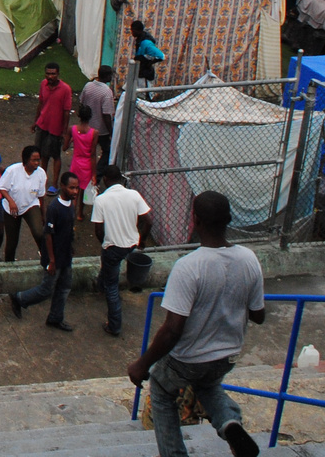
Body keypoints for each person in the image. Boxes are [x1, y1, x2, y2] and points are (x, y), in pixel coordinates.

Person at [128, 192, 264, 457]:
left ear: (195, 220)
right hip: (227, 355)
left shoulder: (188, 267)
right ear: (229, 220)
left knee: (161, 386)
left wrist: (142, 364)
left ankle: (173, 453)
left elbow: (172, 330)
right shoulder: (249, 259)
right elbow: (258, 315)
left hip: (188, 359)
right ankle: (229, 423)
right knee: (208, 386)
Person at [10, 171, 80, 330]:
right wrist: (52, 261)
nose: (75, 192)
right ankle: (19, 298)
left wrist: (71, 246)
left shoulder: (70, 205)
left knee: (64, 288)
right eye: (71, 188)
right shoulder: (54, 207)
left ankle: (56, 317)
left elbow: (68, 230)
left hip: (66, 255)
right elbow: (48, 235)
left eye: (77, 188)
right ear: (62, 187)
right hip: (54, 257)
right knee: (46, 290)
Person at [94, 164, 154, 337]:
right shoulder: (134, 195)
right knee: (108, 269)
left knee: (112, 287)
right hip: (131, 244)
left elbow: (98, 230)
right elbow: (148, 222)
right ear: (120, 178)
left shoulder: (101, 200)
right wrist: (141, 241)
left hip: (113, 247)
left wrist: (105, 243)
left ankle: (114, 325)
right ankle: (99, 286)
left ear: (105, 179)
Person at [0, 145, 49, 265]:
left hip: (30, 204)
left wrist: (42, 214)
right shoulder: (13, 171)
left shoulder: (41, 174)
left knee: (39, 232)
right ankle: (9, 265)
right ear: (26, 160)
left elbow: (41, 196)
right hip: (12, 208)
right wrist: (10, 201)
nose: (37, 163)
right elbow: (1, 187)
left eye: (38, 160)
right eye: (34, 160)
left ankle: (47, 259)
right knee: (12, 241)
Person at [33, 63, 72, 191]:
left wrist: (64, 132)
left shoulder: (65, 89)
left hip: (56, 129)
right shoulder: (43, 84)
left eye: (53, 74)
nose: (50, 76)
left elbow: (66, 112)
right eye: (48, 73)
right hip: (42, 125)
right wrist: (36, 121)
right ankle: (42, 181)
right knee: (42, 155)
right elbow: (40, 103)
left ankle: (54, 184)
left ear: (58, 74)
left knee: (55, 155)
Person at [66, 105, 102, 209]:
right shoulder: (94, 133)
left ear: (78, 115)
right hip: (87, 165)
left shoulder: (72, 129)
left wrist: (72, 140)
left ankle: (72, 212)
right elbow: (93, 154)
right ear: (90, 116)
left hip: (76, 163)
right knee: (83, 189)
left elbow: (64, 147)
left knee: (74, 190)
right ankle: (80, 213)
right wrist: (94, 174)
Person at [80, 66, 116, 142]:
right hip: (101, 130)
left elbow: (82, 103)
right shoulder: (107, 92)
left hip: (87, 126)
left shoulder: (88, 86)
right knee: (106, 150)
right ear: (107, 76)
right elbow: (106, 114)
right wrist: (111, 131)